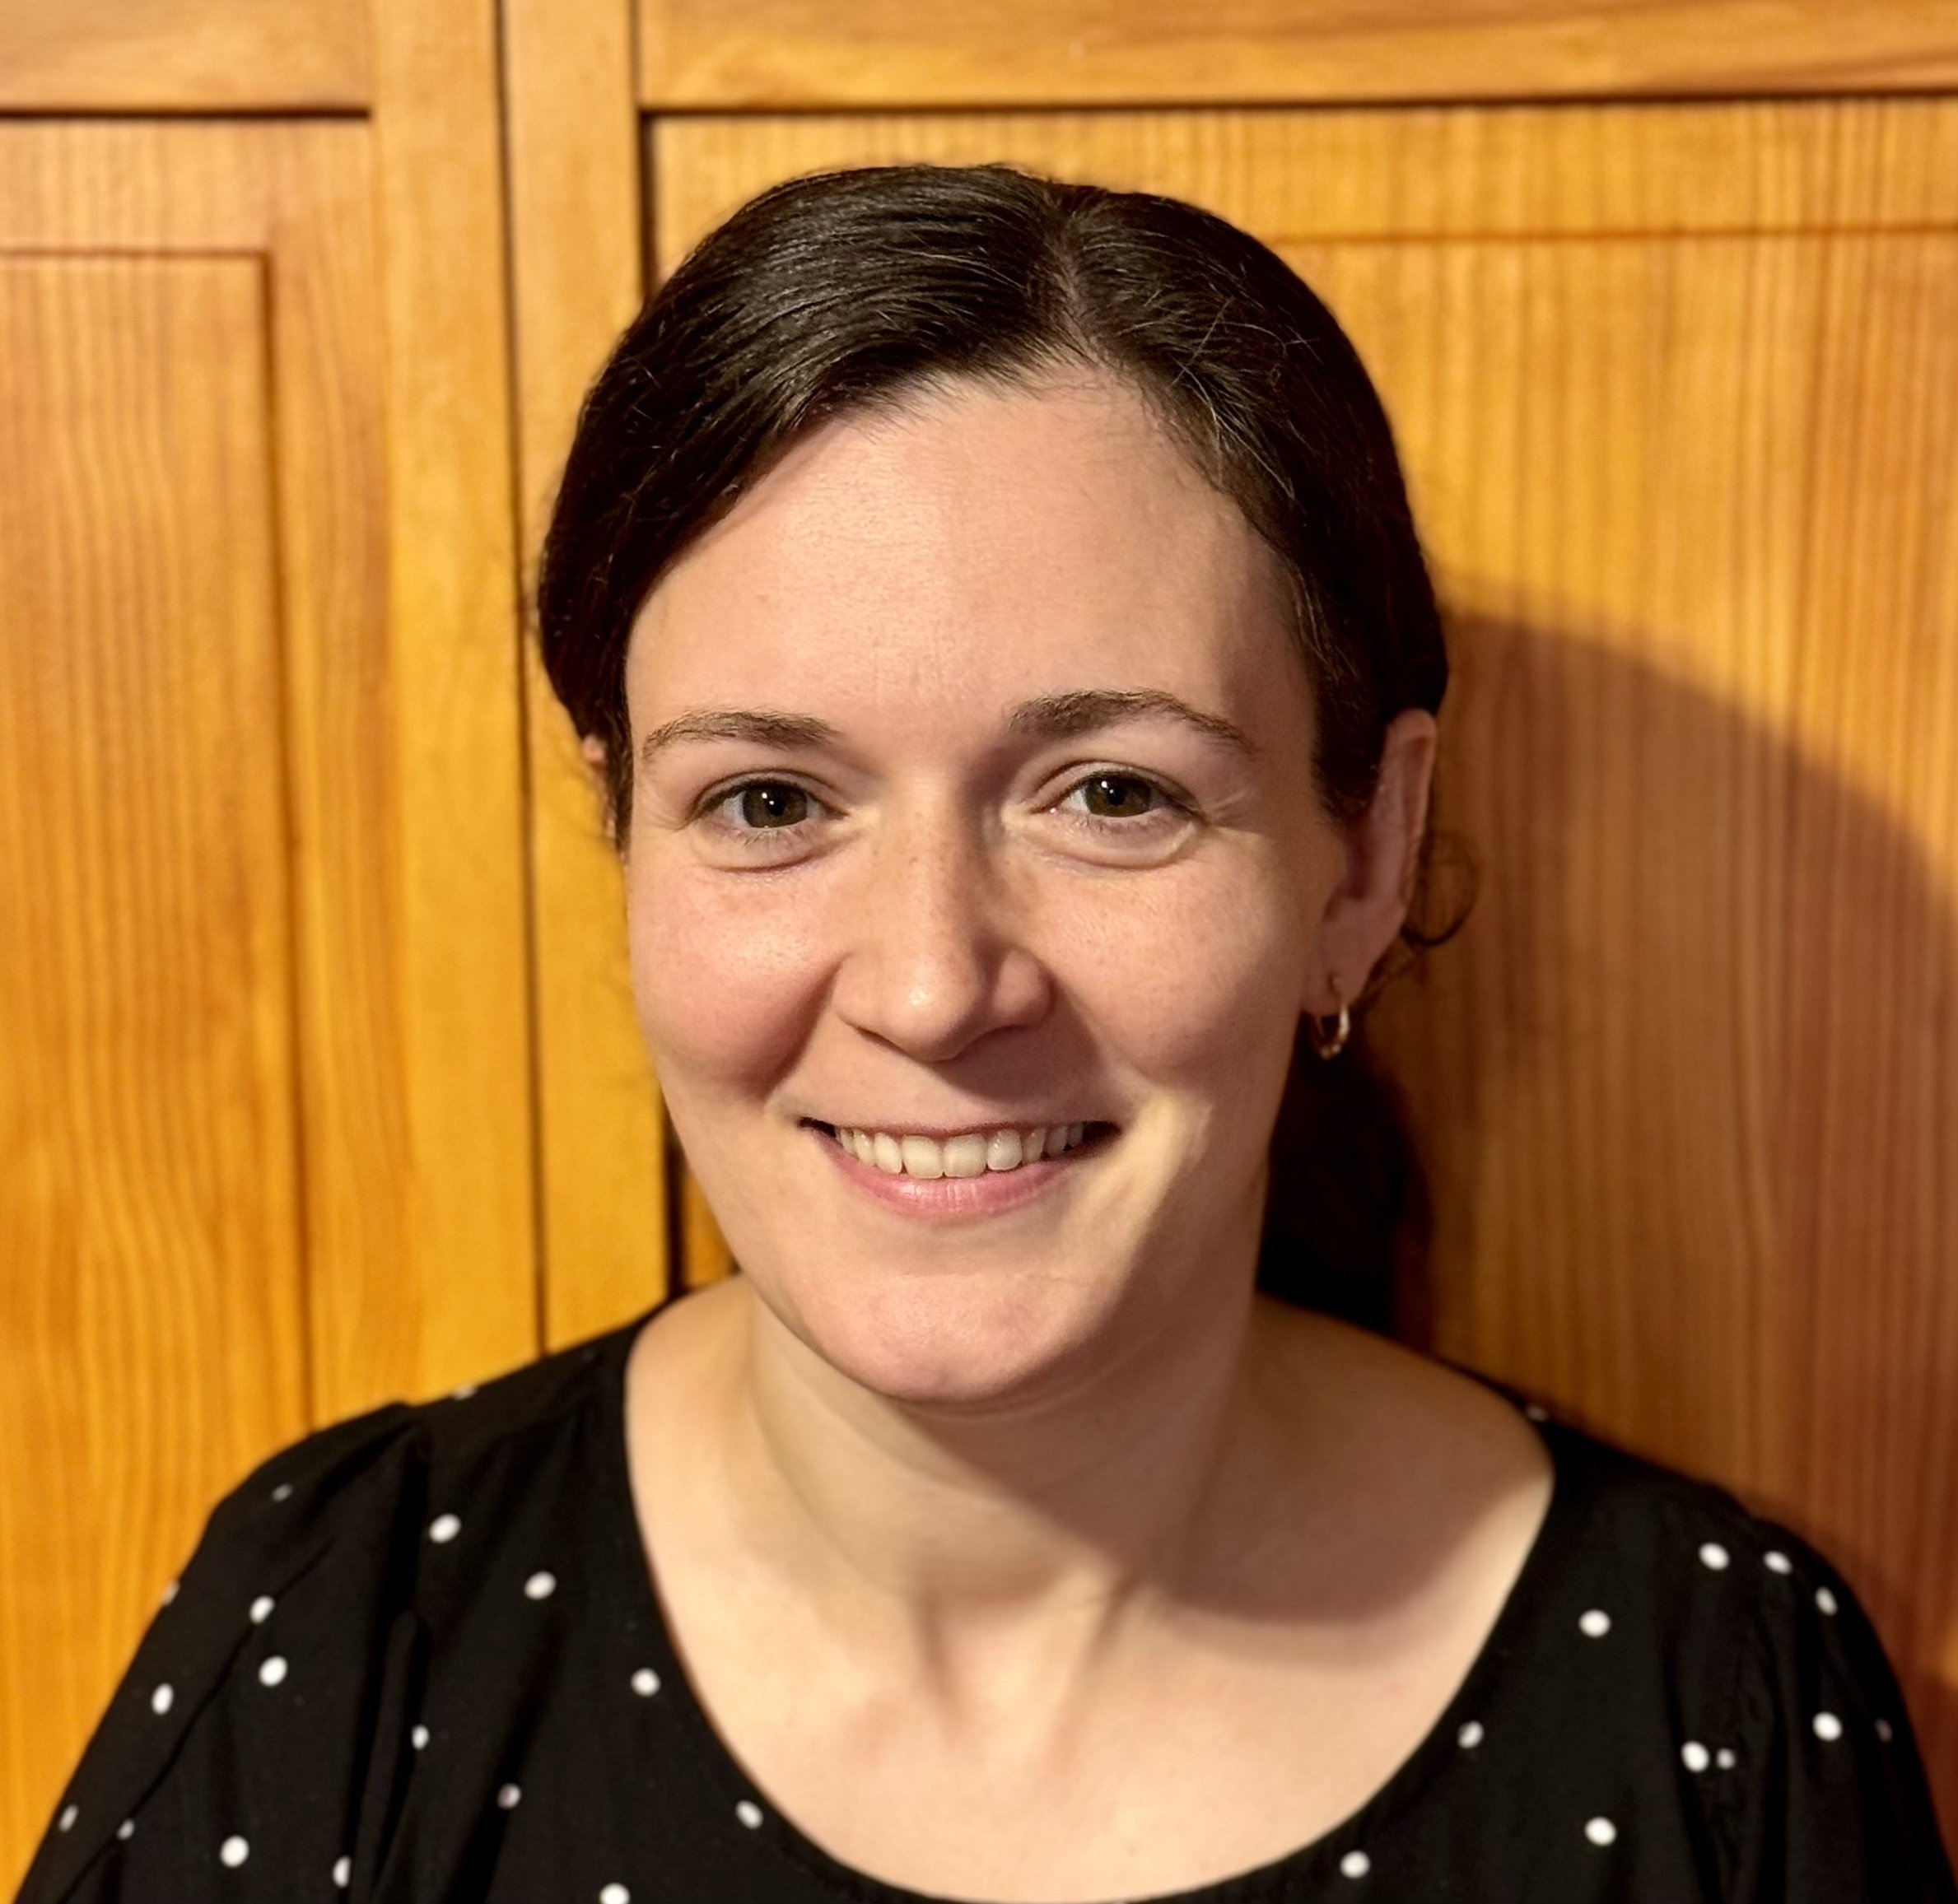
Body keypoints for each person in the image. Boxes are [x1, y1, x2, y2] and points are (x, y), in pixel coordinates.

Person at [20, 165, 1955, 1904]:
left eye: (1111, 792)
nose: (934, 985)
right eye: (771, 800)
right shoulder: (348, 1629)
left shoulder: (1718, 1700)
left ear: (1368, 852)